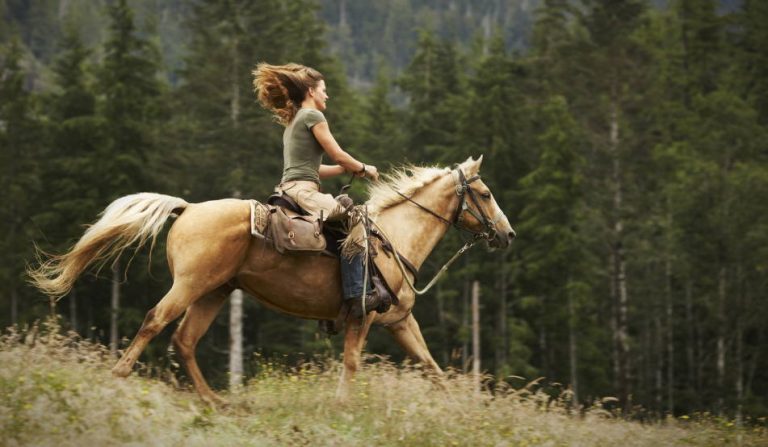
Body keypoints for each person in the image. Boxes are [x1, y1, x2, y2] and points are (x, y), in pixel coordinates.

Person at [252, 62, 386, 317]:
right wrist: (364, 168)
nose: (327, 95)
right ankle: (357, 294)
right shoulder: (313, 116)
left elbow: (312, 168)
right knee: (357, 219)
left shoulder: (293, 122)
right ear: (311, 92)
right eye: (324, 90)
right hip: (304, 193)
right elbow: (338, 153)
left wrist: (344, 169)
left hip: (290, 189)